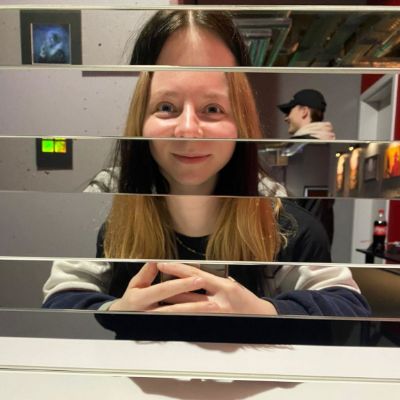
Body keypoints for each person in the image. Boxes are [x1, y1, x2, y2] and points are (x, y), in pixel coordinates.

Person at [42, 10, 369, 317]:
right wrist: (117, 312)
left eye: (212, 108)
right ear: (141, 115)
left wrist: (261, 312)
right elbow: (61, 301)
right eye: (166, 106)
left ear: (240, 118)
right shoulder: (107, 198)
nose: (188, 129)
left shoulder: (277, 213)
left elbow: (347, 306)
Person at [278, 89, 336, 246]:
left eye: (289, 111)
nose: (286, 118)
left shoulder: (299, 149)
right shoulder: (327, 147)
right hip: (318, 235)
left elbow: (288, 201)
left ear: (304, 111)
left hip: (299, 238)